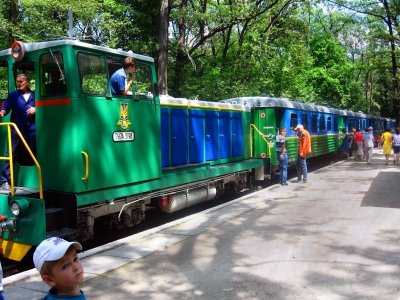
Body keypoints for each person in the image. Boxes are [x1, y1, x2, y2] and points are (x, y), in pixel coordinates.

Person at [0, 74, 36, 190]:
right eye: (17, 81)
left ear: (27, 82)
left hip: (31, 130)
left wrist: (36, 109)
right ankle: (5, 180)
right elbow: (6, 107)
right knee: (10, 153)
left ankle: (34, 179)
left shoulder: (35, 95)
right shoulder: (13, 95)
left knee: (32, 152)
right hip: (16, 130)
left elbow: (42, 108)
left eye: (21, 81)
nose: (19, 83)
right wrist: (2, 112)